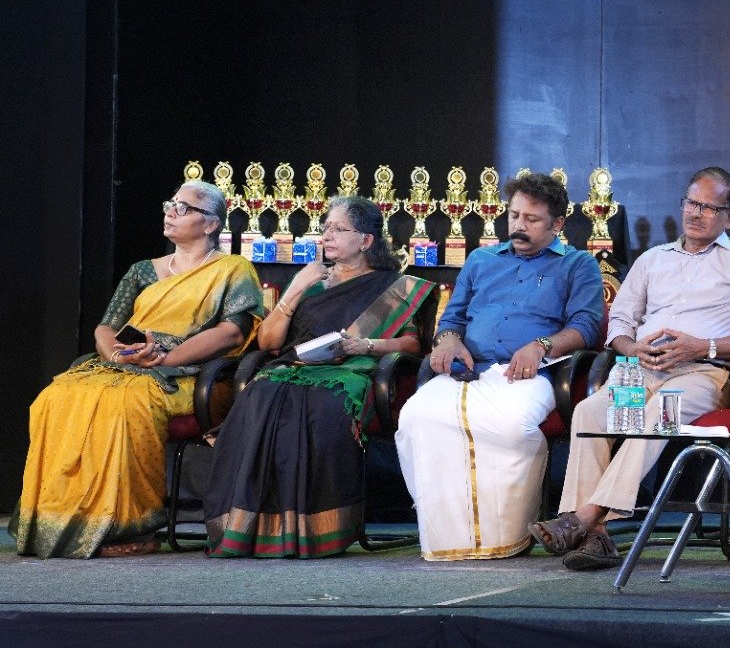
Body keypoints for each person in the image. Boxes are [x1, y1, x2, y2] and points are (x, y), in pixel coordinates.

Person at [531, 167, 730, 570]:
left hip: (703, 371)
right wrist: (633, 348)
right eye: (691, 203)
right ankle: (597, 536)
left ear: (729, 217)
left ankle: (586, 517)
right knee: (591, 412)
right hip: (641, 369)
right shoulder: (652, 260)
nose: (695, 213)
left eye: (709, 207)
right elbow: (620, 322)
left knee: (657, 413)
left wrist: (702, 346)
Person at [11, 181, 262, 558]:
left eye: (183, 207)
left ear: (211, 224)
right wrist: (117, 356)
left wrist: (165, 359)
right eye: (170, 204)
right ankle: (56, 523)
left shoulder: (233, 269)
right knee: (55, 397)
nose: (170, 212)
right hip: (126, 365)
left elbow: (232, 332)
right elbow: (105, 328)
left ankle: (128, 528)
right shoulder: (143, 271)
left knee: (126, 404)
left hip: (189, 374)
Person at [204, 196, 435, 558]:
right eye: (326, 227)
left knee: (323, 403)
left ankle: (316, 532)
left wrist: (365, 344)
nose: (327, 235)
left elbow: (411, 344)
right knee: (261, 394)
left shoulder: (395, 287)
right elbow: (268, 343)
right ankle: (252, 530)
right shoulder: (310, 282)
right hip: (297, 367)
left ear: (366, 240)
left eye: (339, 229)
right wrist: (296, 288)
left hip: (354, 370)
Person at [396, 172, 603, 561]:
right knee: (415, 417)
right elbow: (452, 319)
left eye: (532, 219)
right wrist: (448, 340)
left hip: (529, 374)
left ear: (557, 224)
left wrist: (541, 346)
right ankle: (446, 536)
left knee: (509, 427)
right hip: (468, 370)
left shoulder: (578, 264)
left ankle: (510, 533)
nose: (519, 226)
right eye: (514, 215)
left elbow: (586, 326)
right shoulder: (481, 259)